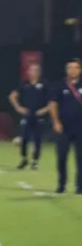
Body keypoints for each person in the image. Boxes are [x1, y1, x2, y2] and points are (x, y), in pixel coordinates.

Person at [47, 58, 82, 194]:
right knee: (62, 156)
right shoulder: (59, 85)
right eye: (70, 67)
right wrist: (56, 121)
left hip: (80, 127)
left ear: (80, 70)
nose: (72, 70)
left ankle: (80, 186)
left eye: (75, 67)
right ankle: (61, 184)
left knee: (80, 157)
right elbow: (53, 104)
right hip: (64, 127)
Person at [9, 63, 50, 170]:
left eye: (35, 70)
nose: (32, 72)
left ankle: (35, 161)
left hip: (39, 115)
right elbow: (12, 96)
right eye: (30, 70)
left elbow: (53, 101)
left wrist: (45, 109)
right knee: (24, 138)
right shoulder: (24, 84)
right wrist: (18, 108)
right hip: (27, 114)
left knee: (37, 139)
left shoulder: (44, 84)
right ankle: (24, 159)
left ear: (39, 72)